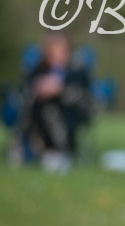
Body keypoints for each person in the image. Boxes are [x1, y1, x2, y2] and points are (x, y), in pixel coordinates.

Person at [18, 33, 93, 172]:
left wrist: (60, 90)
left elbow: (84, 93)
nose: (57, 56)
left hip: (71, 112)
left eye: (61, 51)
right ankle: (42, 150)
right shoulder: (40, 68)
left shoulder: (76, 68)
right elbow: (26, 85)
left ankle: (60, 150)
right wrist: (40, 87)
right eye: (53, 52)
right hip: (40, 111)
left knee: (50, 107)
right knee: (39, 104)